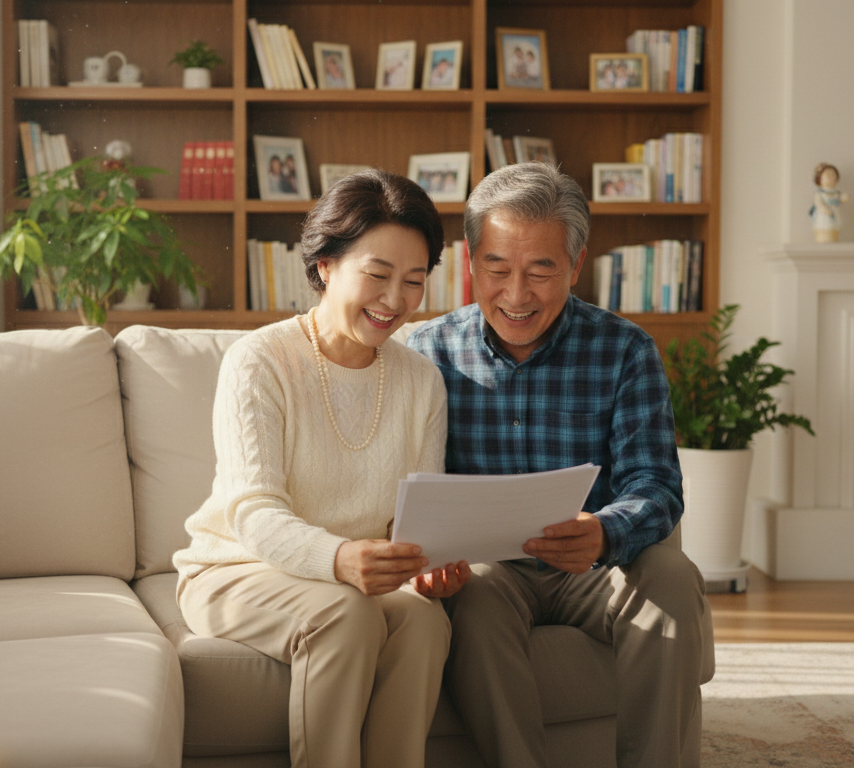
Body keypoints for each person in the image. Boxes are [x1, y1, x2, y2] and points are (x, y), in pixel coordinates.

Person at [407, 162, 712, 768]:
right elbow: (400, 486)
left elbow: (656, 483)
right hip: (488, 575)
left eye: (541, 270)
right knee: (481, 595)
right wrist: (425, 555)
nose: (516, 295)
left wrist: (606, 531)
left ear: (574, 267)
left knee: (673, 576)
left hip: (593, 567)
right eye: (497, 268)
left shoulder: (625, 349)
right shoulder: (423, 353)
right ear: (471, 261)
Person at [175, 169, 467, 768]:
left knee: (424, 622)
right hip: (236, 567)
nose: (395, 301)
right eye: (378, 274)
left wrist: (427, 569)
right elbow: (252, 512)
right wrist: (339, 558)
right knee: (347, 616)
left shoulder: (421, 380)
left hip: (358, 577)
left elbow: (416, 519)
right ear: (327, 263)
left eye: (414, 281)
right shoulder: (259, 361)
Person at [810, 162, 850, 242]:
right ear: (820, 179)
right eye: (828, 176)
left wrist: (845, 197)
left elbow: (841, 199)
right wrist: (823, 208)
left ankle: (833, 238)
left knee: (834, 227)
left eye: (833, 175)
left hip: (835, 215)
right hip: (824, 216)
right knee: (825, 226)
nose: (831, 178)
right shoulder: (819, 193)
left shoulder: (836, 193)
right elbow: (818, 203)